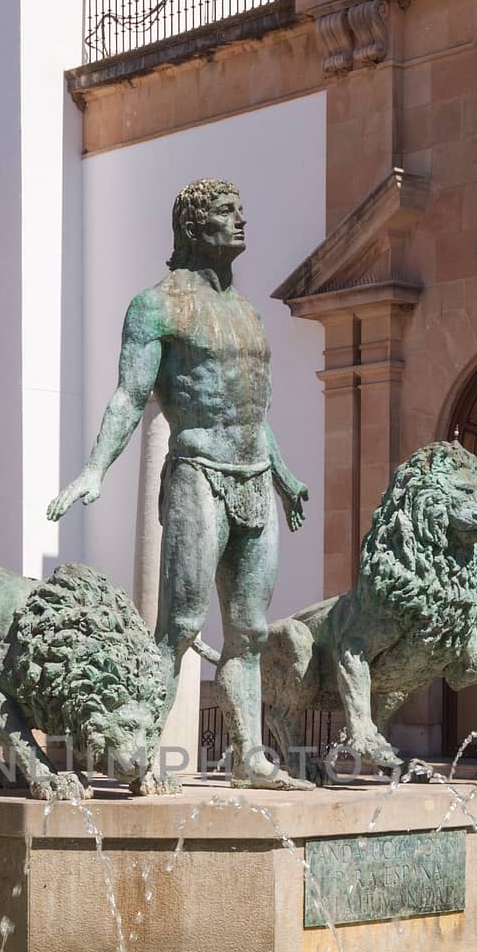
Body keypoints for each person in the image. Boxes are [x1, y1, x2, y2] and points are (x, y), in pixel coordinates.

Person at [47, 178, 310, 788]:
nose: (241, 220)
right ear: (192, 228)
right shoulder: (156, 307)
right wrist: (94, 467)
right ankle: (137, 754)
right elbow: (130, 395)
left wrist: (286, 474)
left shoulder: (247, 313)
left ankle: (248, 758)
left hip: (256, 478)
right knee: (181, 624)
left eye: (242, 209)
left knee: (248, 630)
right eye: (225, 212)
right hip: (197, 473)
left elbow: (253, 412)